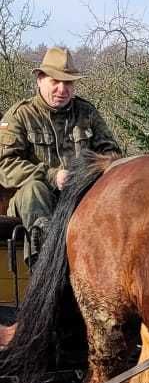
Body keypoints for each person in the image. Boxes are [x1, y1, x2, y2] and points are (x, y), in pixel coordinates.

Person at [0, 46, 121, 257]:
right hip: (30, 204)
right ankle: (43, 261)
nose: (62, 89)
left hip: (79, 197)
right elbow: (5, 164)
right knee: (34, 189)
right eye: (55, 81)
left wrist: (87, 174)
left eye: (68, 83)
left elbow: (112, 155)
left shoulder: (87, 113)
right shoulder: (21, 115)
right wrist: (52, 176)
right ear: (39, 79)